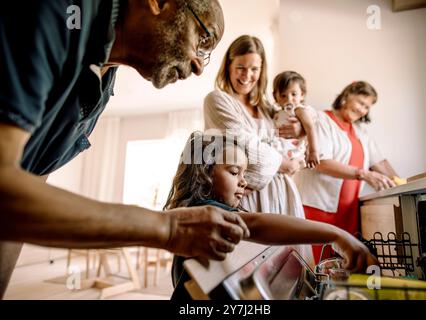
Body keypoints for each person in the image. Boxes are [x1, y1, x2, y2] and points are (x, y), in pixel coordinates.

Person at [0, 0, 252, 298]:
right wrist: (168, 229)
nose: (198, 66)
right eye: (202, 40)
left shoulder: (104, 85)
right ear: (159, 3)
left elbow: (27, 182)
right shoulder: (58, 11)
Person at [165, 131, 379, 300]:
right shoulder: (204, 211)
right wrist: (336, 234)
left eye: (244, 174)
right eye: (233, 172)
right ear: (204, 174)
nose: (243, 181)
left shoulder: (215, 211)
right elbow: (256, 225)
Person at [203, 35, 314, 264]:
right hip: (247, 196)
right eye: (240, 67)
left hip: (282, 195)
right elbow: (245, 145)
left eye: (254, 69)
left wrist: (302, 129)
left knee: (288, 268)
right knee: (252, 264)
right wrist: (283, 164)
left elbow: (304, 118)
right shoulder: (217, 100)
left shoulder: (267, 109)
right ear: (228, 66)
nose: (247, 75)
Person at [296, 81, 398, 263]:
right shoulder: (321, 120)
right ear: (346, 96)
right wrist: (364, 174)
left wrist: (400, 182)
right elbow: (321, 162)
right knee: (317, 265)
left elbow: (380, 162)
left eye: (367, 107)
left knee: (343, 265)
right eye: (360, 102)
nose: (362, 110)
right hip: (319, 207)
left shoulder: (360, 133)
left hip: (348, 211)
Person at [272, 71, 320, 169]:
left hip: (293, 150)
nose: (289, 99)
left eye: (294, 94)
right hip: (279, 150)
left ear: (302, 94)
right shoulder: (277, 113)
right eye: (283, 95)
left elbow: (310, 128)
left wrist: (313, 151)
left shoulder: (299, 110)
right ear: (275, 96)